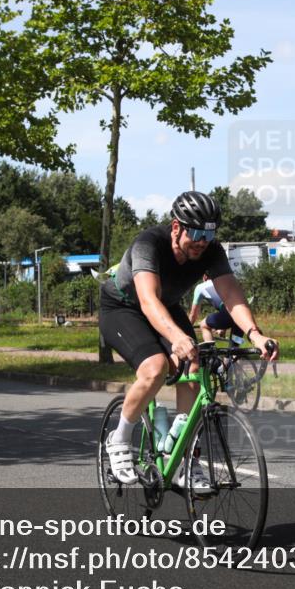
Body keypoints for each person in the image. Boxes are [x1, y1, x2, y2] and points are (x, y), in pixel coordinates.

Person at [98, 191, 279, 491]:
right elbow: (147, 300)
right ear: (175, 227)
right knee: (155, 368)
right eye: (195, 232)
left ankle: (182, 459)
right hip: (124, 307)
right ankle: (118, 439)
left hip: (166, 307)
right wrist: (177, 337)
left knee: (194, 372)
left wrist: (256, 335)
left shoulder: (210, 250)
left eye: (209, 234)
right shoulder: (149, 244)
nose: (202, 240)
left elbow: (231, 295)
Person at [189, 274, 243, 345]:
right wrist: (223, 329)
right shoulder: (225, 282)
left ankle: (211, 352)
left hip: (228, 313)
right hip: (243, 314)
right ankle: (235, 354)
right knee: (235, 349)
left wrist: (186, 330)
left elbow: (193, 315)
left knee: (203, 325)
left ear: (205, 277)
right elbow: (230, 308)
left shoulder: (200, 287)